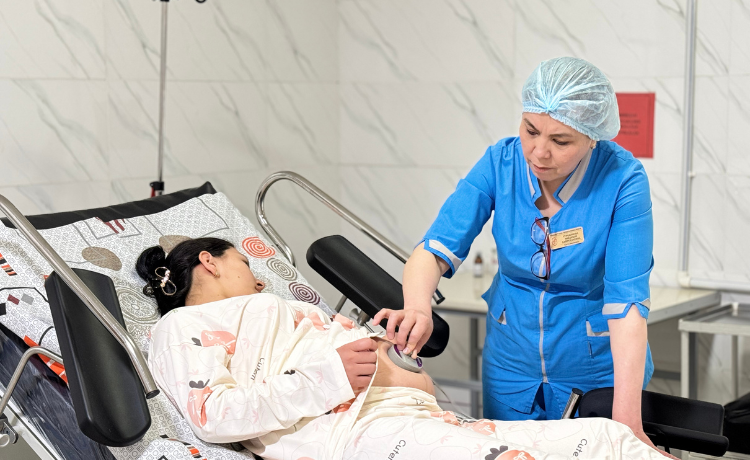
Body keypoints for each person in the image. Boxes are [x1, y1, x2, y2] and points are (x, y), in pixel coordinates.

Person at [373, 57, 670, 457]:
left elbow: (627, 304)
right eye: (530, 130)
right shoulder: (501, 162)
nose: (539, 152)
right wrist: (418, 308)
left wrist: (626, 424)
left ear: (592, 138)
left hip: (595, 369)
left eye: (561, 141)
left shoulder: (622, 180)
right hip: (510, 367)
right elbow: (433, 250)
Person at [137, 237, 665, 460]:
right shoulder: (180, 327)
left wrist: (385, 348)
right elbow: (213, 413)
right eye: (246, 266)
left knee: (607, 438)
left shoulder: (274, 305)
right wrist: (332, 375)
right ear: (210, 261)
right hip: (353, 434)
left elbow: (340, 356)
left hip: (420, 418)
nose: (257, 281)